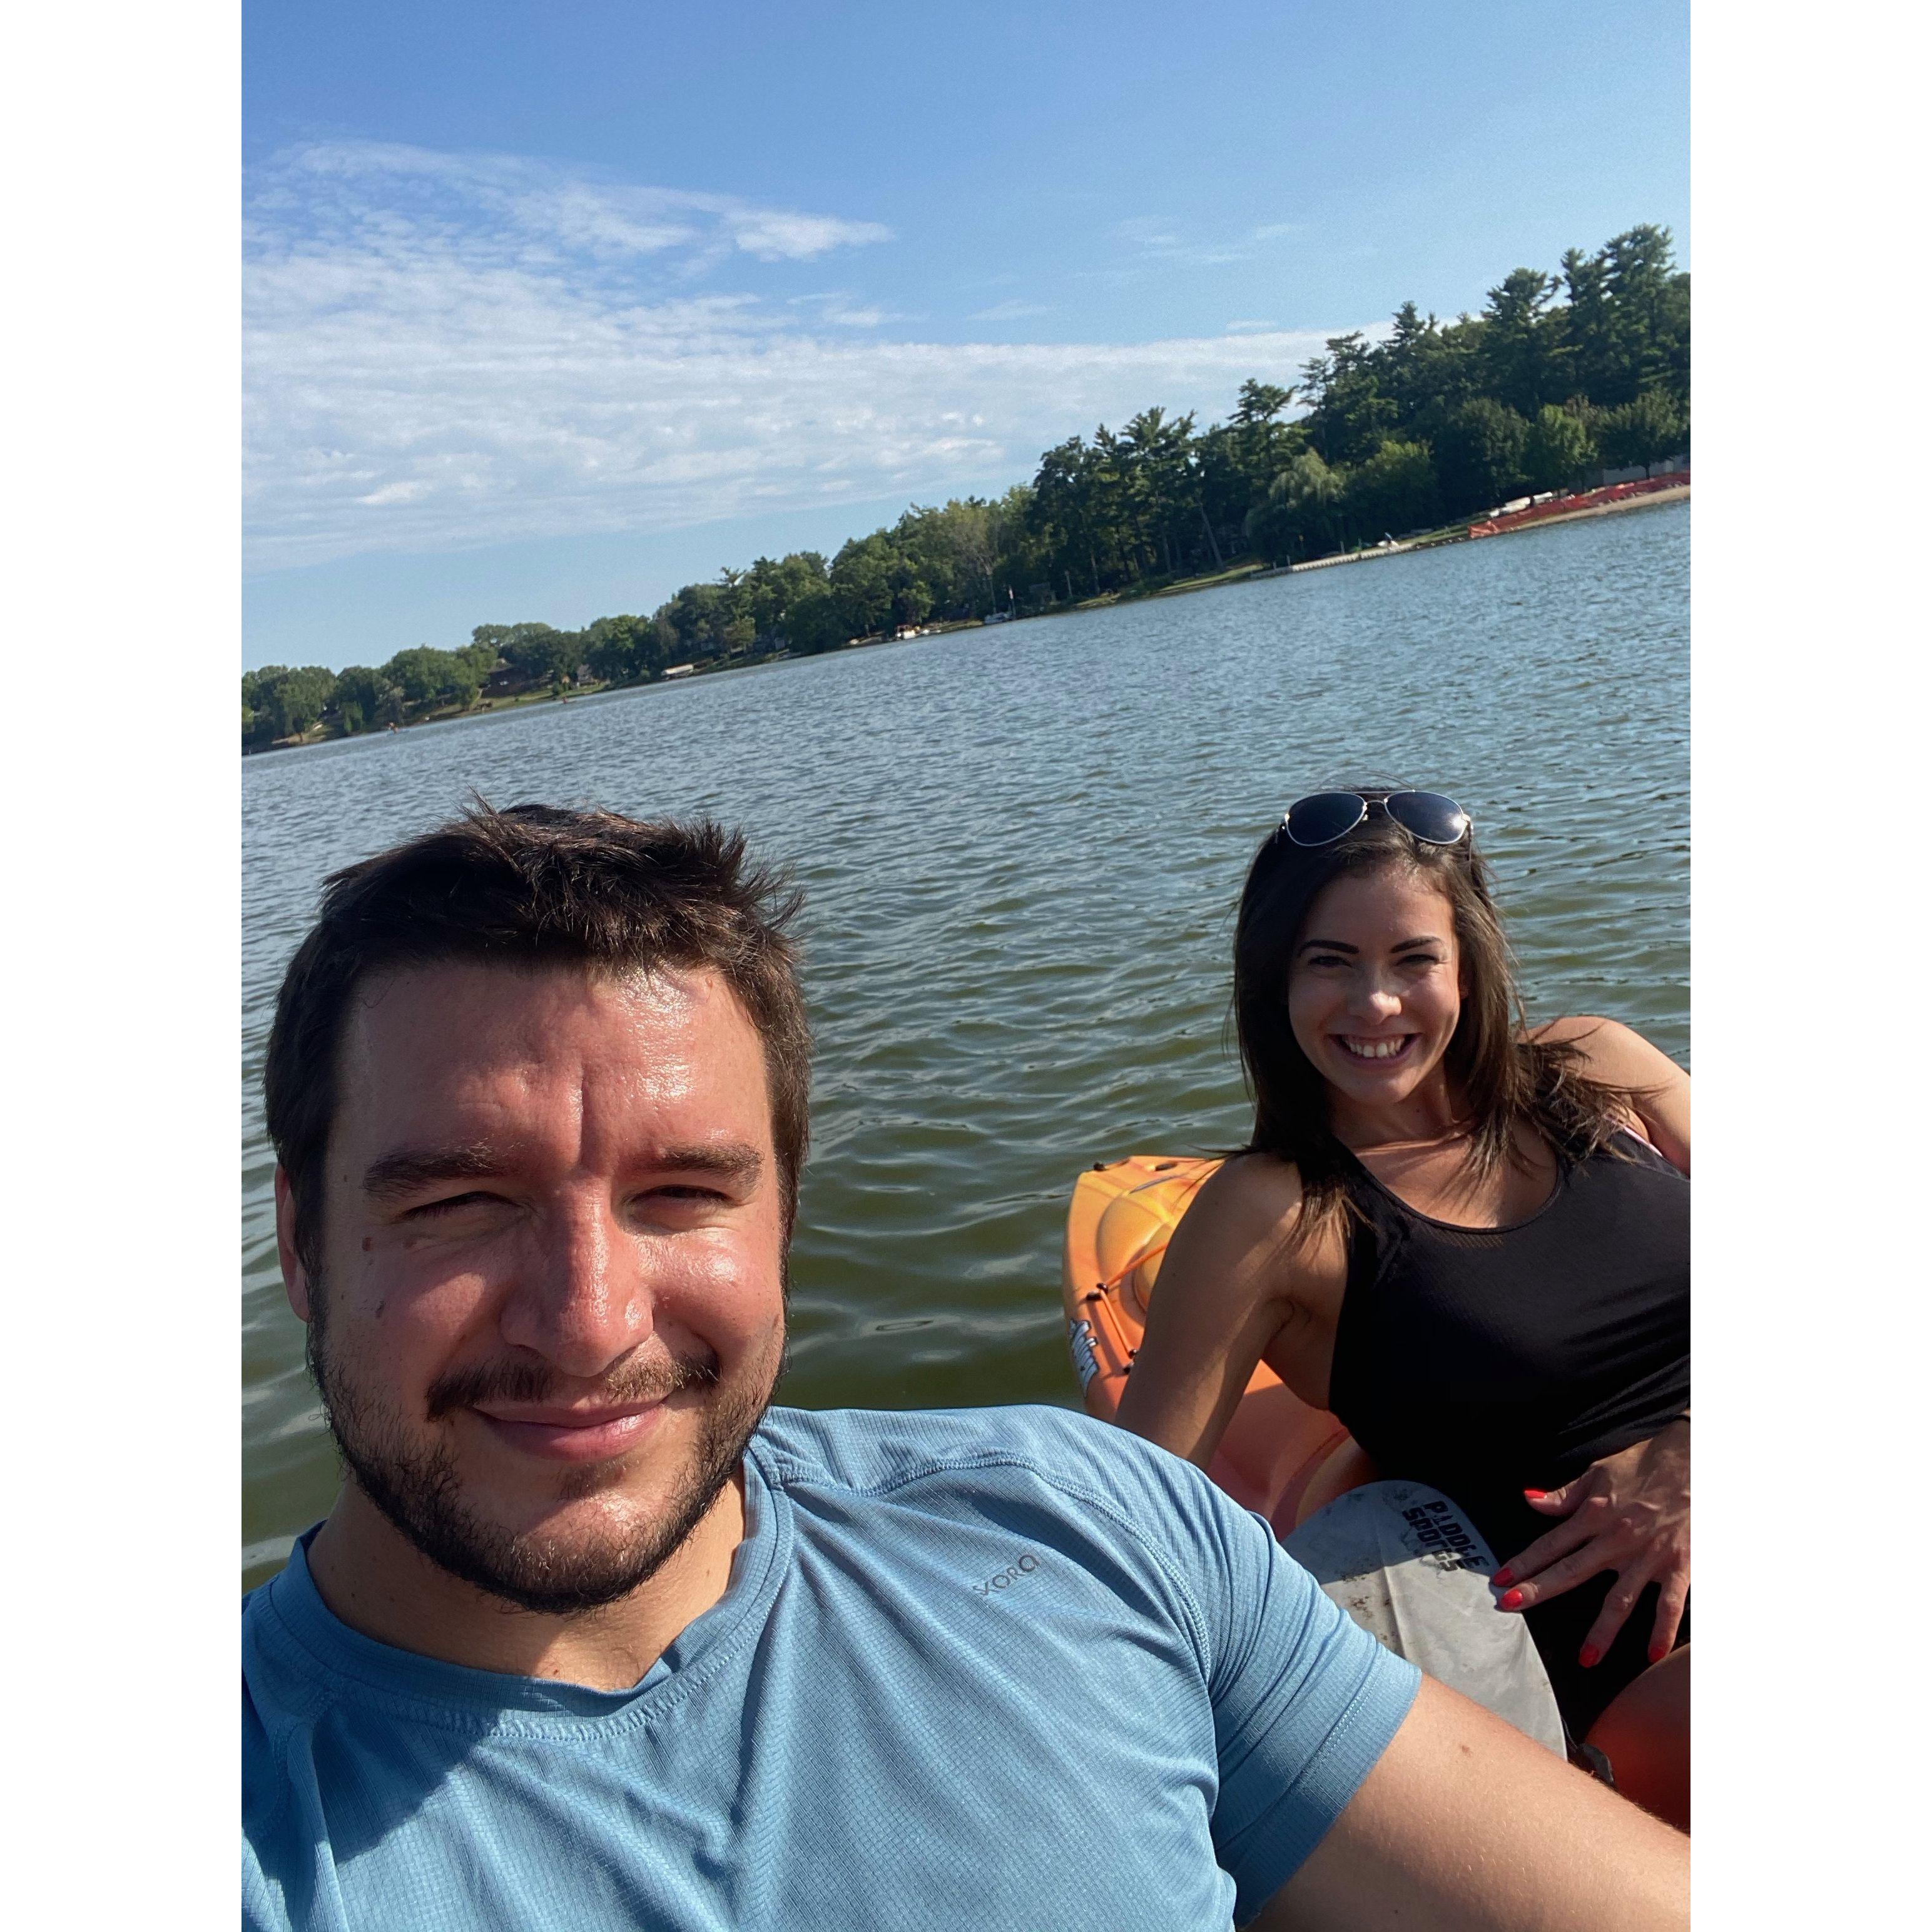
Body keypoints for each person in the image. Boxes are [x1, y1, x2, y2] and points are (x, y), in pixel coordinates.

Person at [243, 801, 1689, 1929]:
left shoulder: (1082, 1529)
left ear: (784, 1215)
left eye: (682, 1190)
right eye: (453, 1202)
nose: (585, 1316)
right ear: (299, 1238)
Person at [1115, 786, 1689, 1823]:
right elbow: (1134, 1521)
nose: (1375, 1004)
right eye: (1328, 962)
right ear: (1273, 983)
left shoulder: (1601, 1070)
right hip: (1628, 1646)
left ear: (1468, 963)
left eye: (1413, 960)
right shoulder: (1276, 1215)